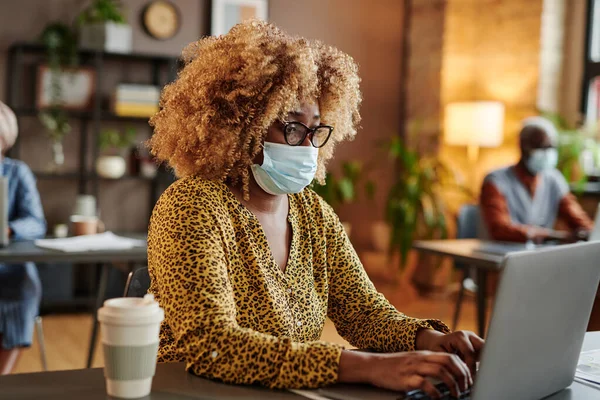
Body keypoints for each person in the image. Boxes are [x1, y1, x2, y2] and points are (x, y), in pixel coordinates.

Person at [147, 21, 483, 398]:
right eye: (291, 127)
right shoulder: (192, 206)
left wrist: (431, 339)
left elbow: (363, 312)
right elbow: (212, 345)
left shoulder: (312, 212)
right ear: (240, 126)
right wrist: (369, 367)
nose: (307, 145)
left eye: (316, 130)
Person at [480, 117, 593, 243]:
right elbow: (500, 229)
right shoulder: (495, 181)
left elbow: (578, 219)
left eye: (551, 147)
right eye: (541, 147)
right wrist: (551, 235)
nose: (547, 153)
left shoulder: (554, 179)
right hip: (498, 256)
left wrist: (589, 233)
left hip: (536, 256)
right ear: (523, 147)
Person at [0, 101, 47, 374]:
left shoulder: (17, 173)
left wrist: (8, 230)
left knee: (24, 288)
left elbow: (36, 223)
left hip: (12, 273)